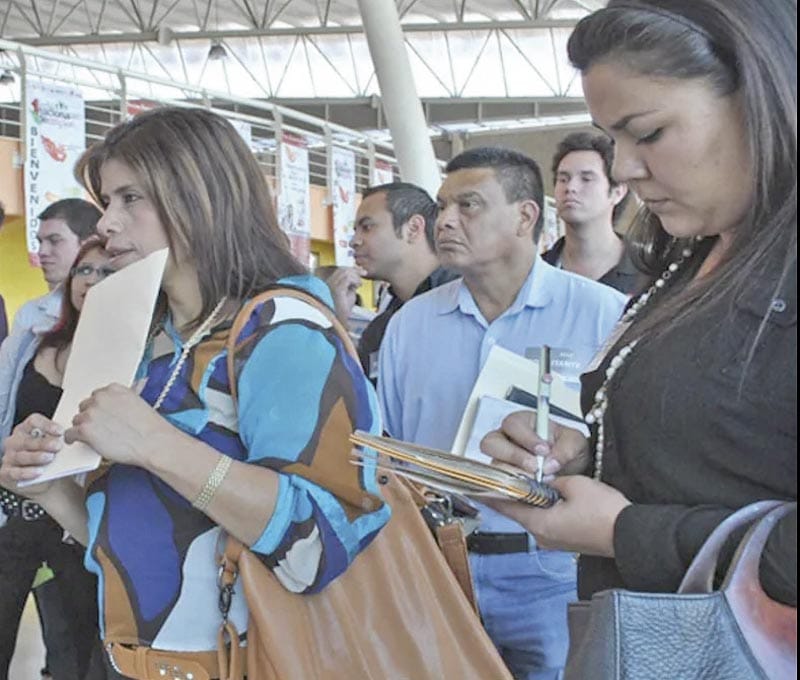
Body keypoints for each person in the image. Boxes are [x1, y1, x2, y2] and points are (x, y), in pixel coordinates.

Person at [0, 107, 390, 677]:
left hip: (246, 661)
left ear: (200, 196)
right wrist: (51, 489)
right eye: (107, 201)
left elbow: (320, 545)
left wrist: (156, 444)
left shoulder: (283, 330)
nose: (106, 224)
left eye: (130, 198)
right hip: (130, 661)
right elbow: (136, 546)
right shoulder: (147, 339)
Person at [481, 0, 796, 610]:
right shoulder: (693, 257)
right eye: (613, 139)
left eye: (648, 133)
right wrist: (589, 456)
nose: (625, 167)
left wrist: (626, 532)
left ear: (761, 97)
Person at [378, 146, 627, 679]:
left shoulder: (602, 314)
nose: (445, 221)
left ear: (525, 216)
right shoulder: (410, 325)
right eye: (443, 206)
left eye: (468, 205)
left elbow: (625, 447)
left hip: (552, 569)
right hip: (436, 567)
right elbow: (393, 450)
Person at [0, 238, 110, 679]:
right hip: (12, 513)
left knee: (72, 650)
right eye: (85, 270)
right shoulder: (33, 342)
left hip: (74, 523)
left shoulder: (133, 357)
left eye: (107, 273)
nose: (92, 281)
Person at [351, 182, 457, 383]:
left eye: (367, 227)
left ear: (413, 229)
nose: (354, 241)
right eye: (355, 230)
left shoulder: (468, 300)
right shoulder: (381, 330)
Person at [543, 132, 642, 295]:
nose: (571, 188)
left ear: (617, 192)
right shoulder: (536, 275)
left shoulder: (647, 273)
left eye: (586, 179)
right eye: (563, 179)